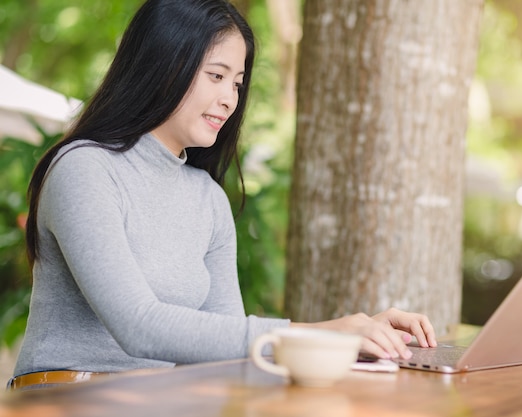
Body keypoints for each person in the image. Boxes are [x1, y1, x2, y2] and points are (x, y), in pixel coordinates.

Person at [9, 0, 436, 390]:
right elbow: (137, 324)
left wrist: (349, 345)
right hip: (68, 397)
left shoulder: (208, 199)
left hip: (161, 401)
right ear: (163, 63)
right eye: (216, 76)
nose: (229, 99)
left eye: (237, 83)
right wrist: (324, 331)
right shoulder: (85, 170)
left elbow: (230, 347)